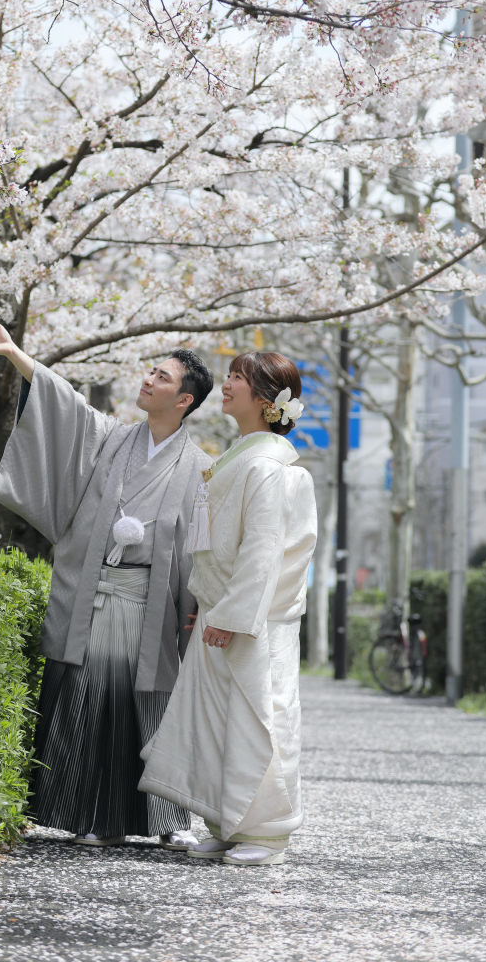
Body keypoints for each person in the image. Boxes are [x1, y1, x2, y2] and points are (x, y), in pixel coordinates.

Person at [0, 312, 213, 848]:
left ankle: (164, 821)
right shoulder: (111, 439)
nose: (147, 379)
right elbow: (63, 404)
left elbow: (200, 550)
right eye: (150, 371)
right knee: (88, 700)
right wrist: (14, 355)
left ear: (185, 400)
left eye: (162, 378)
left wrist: (196, 611)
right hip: (97, 596)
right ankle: (87, 817)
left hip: (150, 606)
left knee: (145, 706)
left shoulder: (200, 469)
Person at [138, 351, 317, 867]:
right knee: (215, 721)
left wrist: (233, 615)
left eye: (238, 378)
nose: (228, 385)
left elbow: (262, 551)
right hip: (223, 610)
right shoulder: (246, 456)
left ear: (265, 399)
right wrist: (208, 603)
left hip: (252, 619)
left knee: (258, 718)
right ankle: (225, 821)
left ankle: (266, 832)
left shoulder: (265, 466)